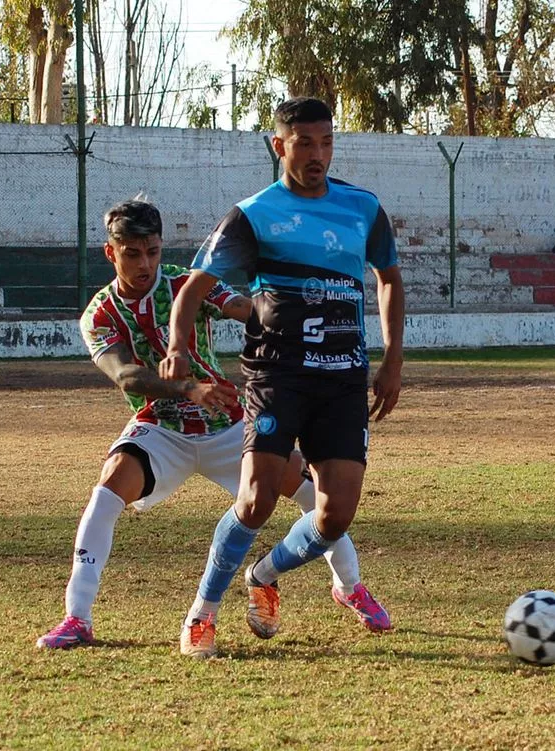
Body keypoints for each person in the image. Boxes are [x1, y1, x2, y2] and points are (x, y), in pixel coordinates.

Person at [35, 199, 391, 650]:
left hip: (227, 422)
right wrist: (188, 390)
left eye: (153, 251)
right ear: (111, 253)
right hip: (161, 427)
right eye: (132, 253)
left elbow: (242, 306)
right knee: (106, 492)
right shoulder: (100, 314)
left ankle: (349, 586)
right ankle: (77, 618)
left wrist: (287, 311)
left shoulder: (187, 283)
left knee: (314, 493)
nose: (145, 264)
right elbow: (126, 375)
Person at [158, 97, 405, 659]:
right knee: (255, 499)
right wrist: (177, 345)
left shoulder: (363, 208)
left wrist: (392, 361)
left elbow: (388, 278)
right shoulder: (253, 214)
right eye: (304, 143)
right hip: (277, 373)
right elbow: (194, 287)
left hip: (344, 378)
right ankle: (203, 612)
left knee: (336, 514)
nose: (317, 154)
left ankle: (265, 574)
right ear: (280, 146)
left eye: (326, 142)